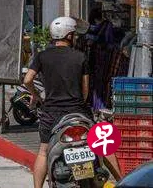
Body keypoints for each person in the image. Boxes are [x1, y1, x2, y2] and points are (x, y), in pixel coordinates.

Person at [24, 16, 120, 188]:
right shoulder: (80, 57)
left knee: (44, 152)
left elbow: (27, 79)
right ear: (69, 35)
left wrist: (35, 95)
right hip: (78, 112)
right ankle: (123, 182)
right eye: (74, 34)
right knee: (103, 146)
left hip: (51, 114)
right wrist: (79, 101)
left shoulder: (42, 56)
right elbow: (85, 90)